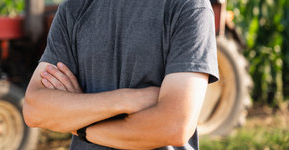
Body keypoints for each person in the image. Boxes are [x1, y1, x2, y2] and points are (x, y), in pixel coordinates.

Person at [23, 0, 219, 149]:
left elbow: (175, 126)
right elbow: (35, 109)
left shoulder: (188, 7)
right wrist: (128, 99)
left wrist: (81, 127)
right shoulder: (75, 7)